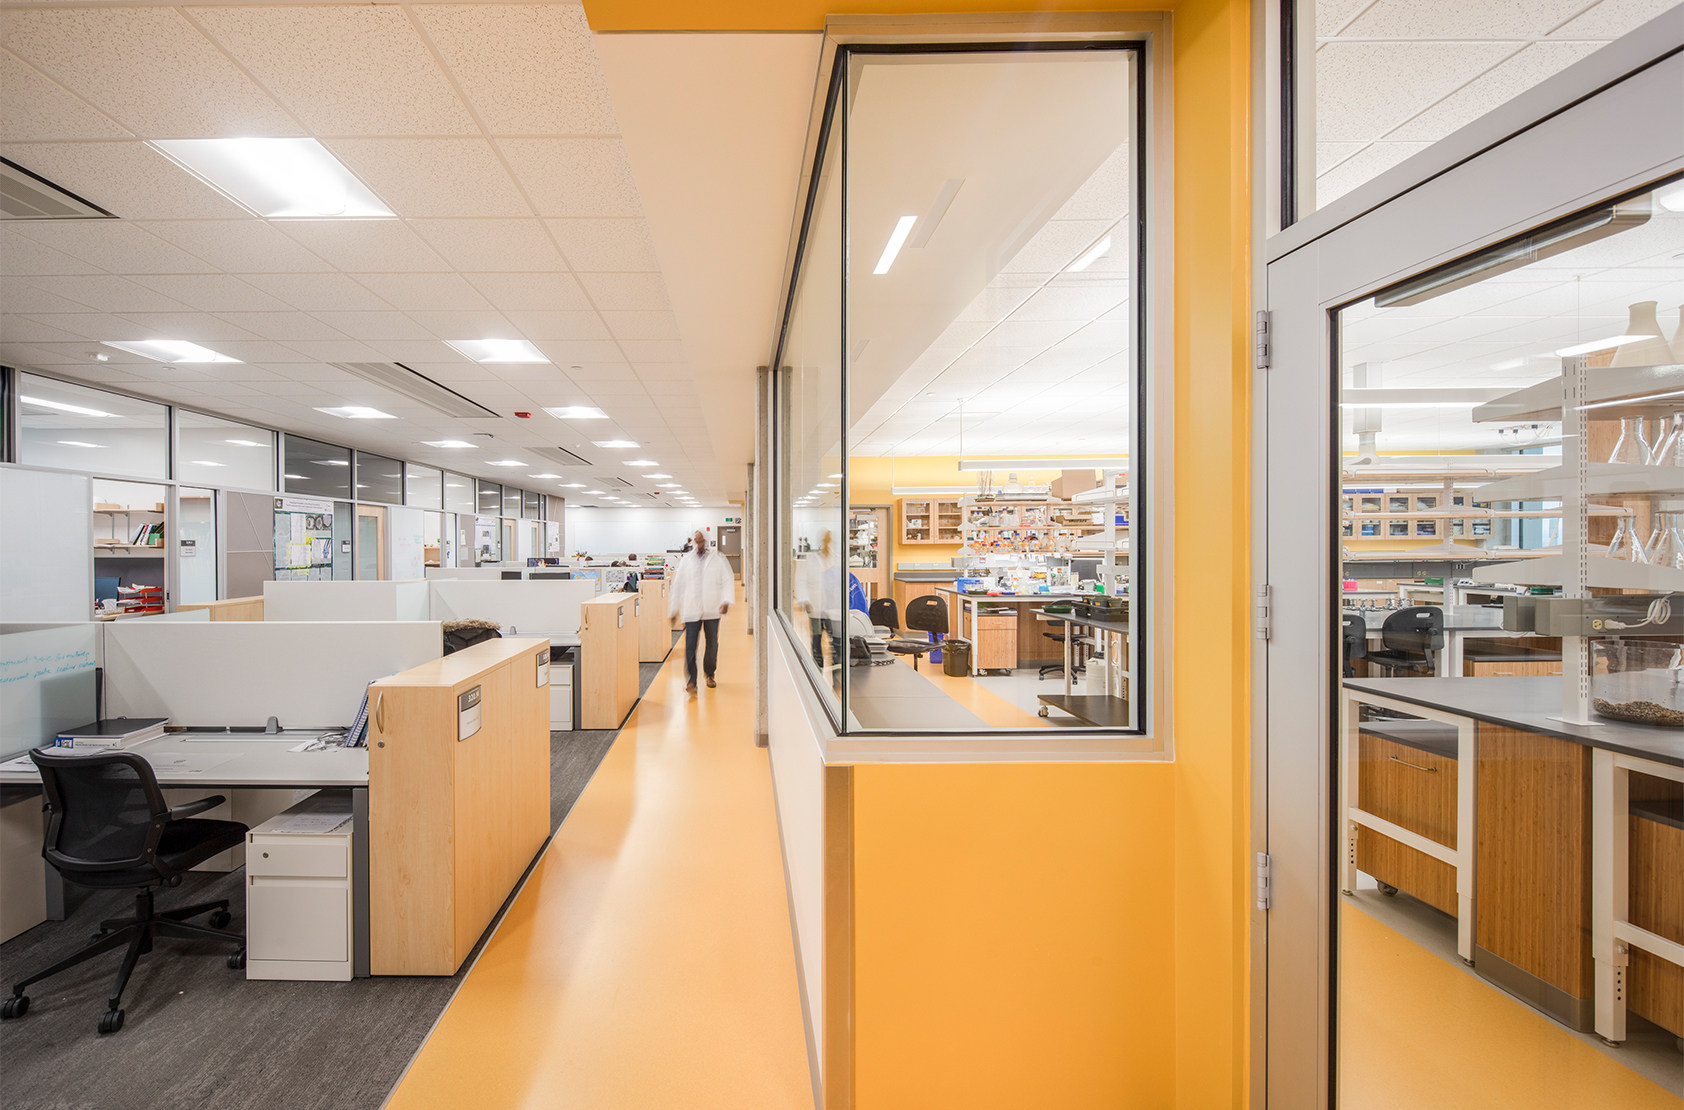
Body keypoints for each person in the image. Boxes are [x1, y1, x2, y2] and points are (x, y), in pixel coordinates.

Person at [668, 529, 732, 693]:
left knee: (712, 645)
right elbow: (678, 586)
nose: (699, 544)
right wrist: (673, 609)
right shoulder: (686, 561)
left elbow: (727, 579)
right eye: (696, 541)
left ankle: (710, 674)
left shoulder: (717, 559)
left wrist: (726, 600)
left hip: (712, 608)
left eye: (701, 540)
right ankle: (691, 680)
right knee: (690, 646)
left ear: (706, 541)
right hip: (691, 609)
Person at [796, 530, 843, 670]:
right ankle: (818, 670)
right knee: (816, 640)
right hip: (816, 607)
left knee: (837, 642)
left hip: (834, 608)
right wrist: (805, 600)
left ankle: (838, 674)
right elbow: (801, 581)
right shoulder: (811, 559)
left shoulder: (837, 559)